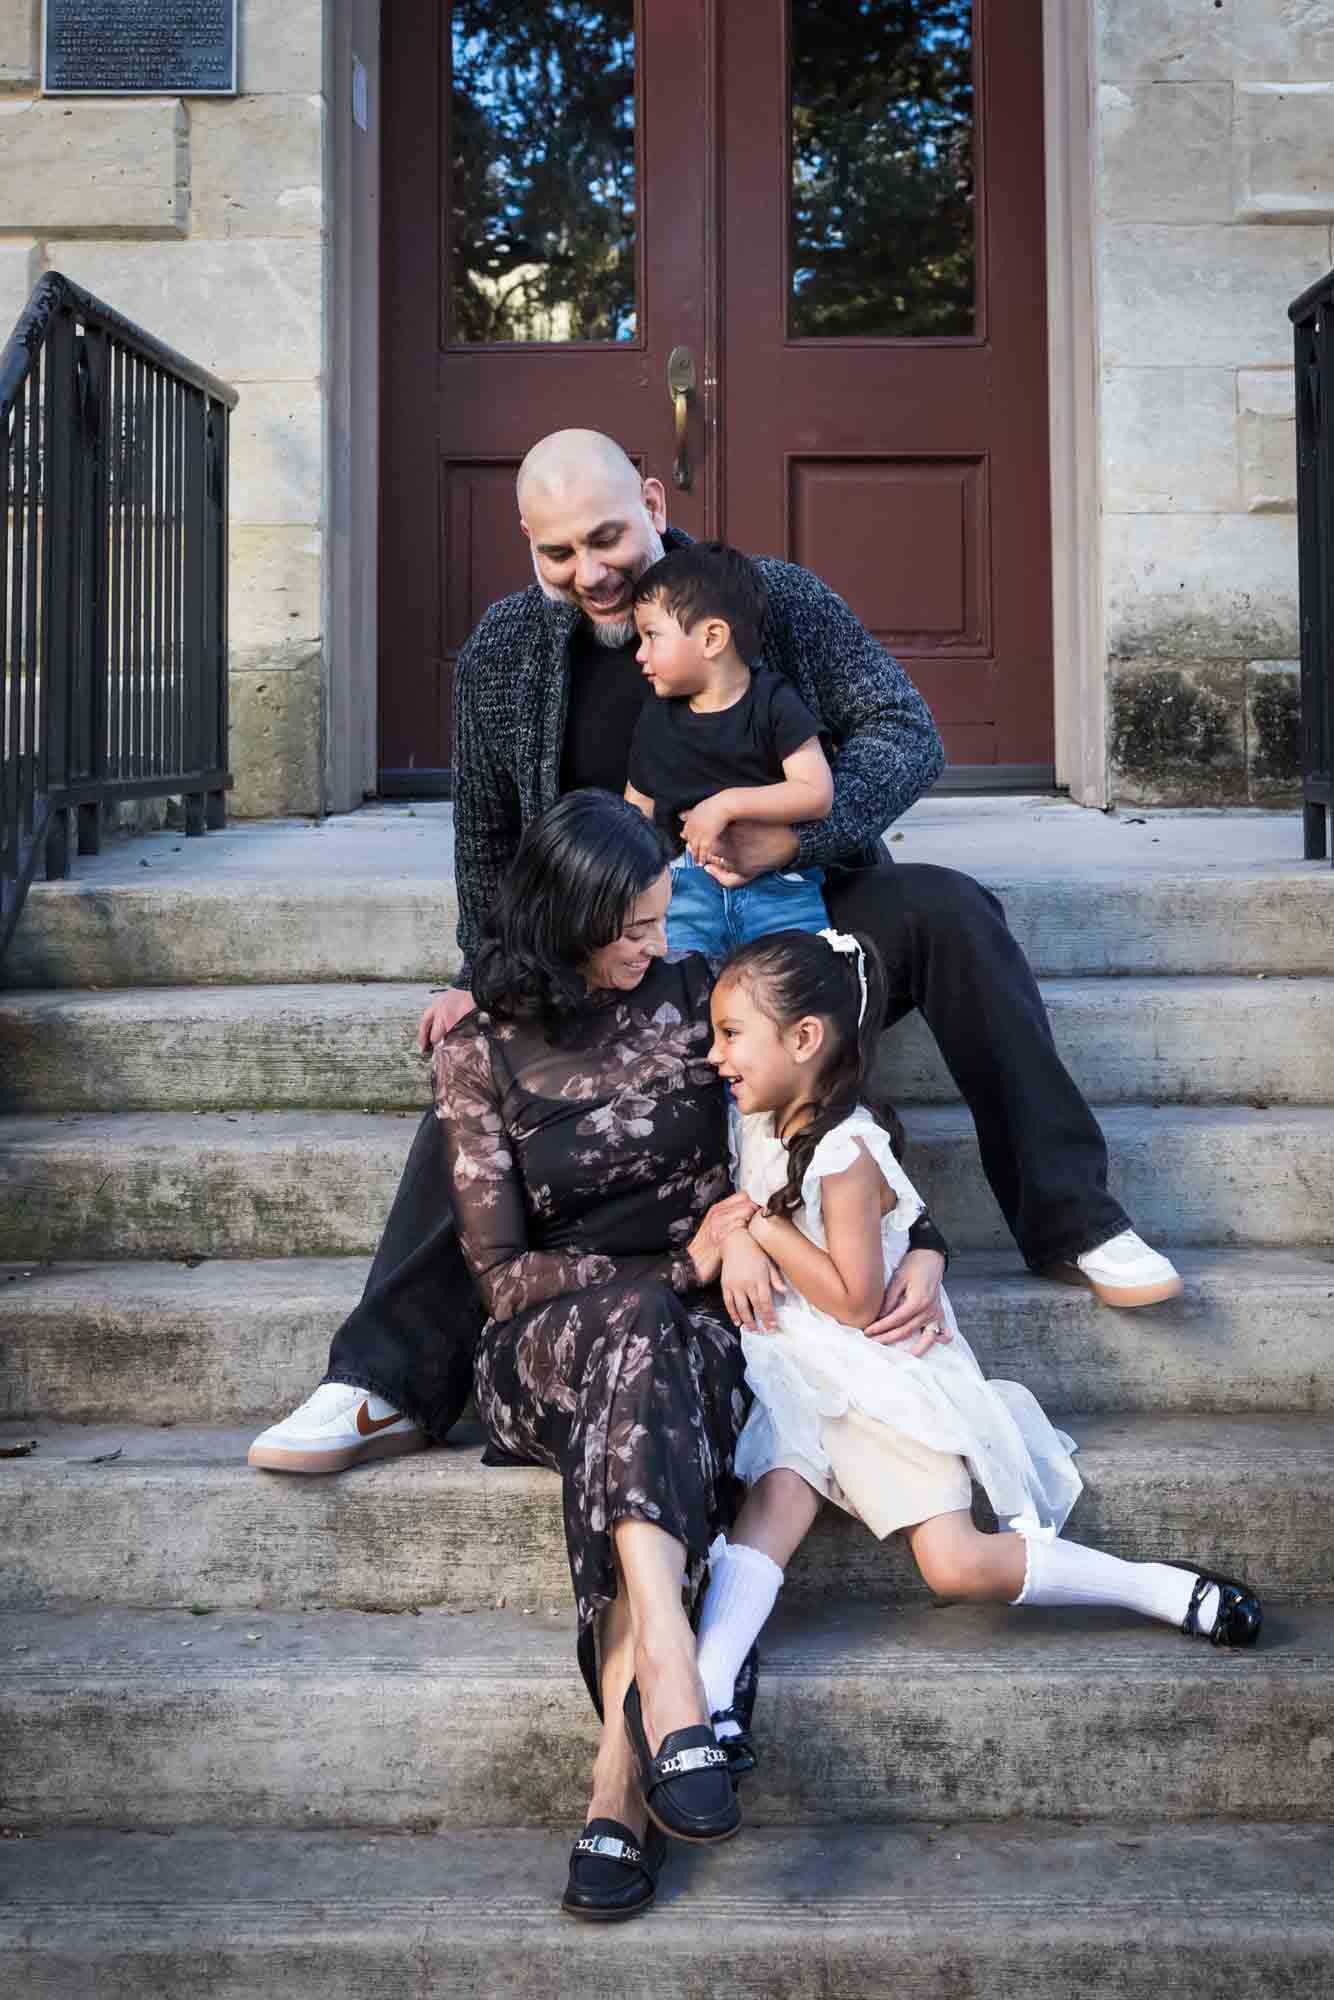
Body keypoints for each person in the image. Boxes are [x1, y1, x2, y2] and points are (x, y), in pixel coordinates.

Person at [249, 427, 1180, 1478]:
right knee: (486, 1048)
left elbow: (903, 733)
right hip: (635, 958)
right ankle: (381, 1378)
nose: (589, 572)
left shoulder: (768, 596)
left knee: (955, 911)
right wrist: (485, 973)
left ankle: (1071, 1217)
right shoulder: (506, 650)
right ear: (527, 545)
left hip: (798, 920)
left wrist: (795, 832)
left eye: (606, 536)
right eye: (557, 552)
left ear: (651, 498)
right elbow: (489, 847)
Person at [688, 926, 1261, 1746]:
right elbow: (797, 1225)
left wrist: (762, 1231)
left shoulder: (846, 1151)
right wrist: (741, 1232)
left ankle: (1155, 1588)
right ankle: (700, 1707)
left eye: (731, 1034)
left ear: (805, 1038)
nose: (714, 1054)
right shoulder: (762, 1122)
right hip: (795, 1365)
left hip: (872, 1365)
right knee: (768, 1511)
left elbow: (855, 1302)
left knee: (955, 1565)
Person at [428, 792, 760, 1921]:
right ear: (566, 921)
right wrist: (677, 1266)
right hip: (542, 1348)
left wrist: (895, 1244)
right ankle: (673, 1677)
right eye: (633, 930)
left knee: (650, 1364)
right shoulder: (480, 1052)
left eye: (663, 922)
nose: (657, 946)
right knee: (635, 1332)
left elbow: (819, 1105)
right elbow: (502, 1275)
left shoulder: (692, 1000)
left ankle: (620, 1775)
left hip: (699, 1336)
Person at [625, 541, 833, 957]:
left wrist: (726, 805)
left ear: (712, 638)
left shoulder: (774, 702)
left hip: (780, 891)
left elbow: (816, 792)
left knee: (797, 986)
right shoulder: (657, 718)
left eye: (651, 636)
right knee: (679, 988)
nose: (639, 654)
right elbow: (635, 812)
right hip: (684, 889)